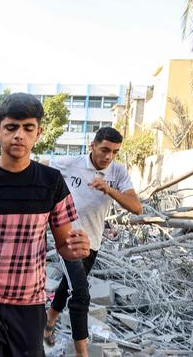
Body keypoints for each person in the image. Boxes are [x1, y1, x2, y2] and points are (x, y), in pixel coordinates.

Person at [0, 92, 91, 356]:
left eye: (28, 128)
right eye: (11, 127)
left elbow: (64, 244)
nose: (19, 135)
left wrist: (77, 247)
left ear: (38, 133)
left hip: (28, 303)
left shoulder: (51, 183)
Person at [44, 127, 142, 356]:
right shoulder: (71, 163)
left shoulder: (117, 172)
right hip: (68, 238)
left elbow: (136, 207)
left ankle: (48, 324)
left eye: (115, 152)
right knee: (80, 293)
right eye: (105, 149)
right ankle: (82, 353)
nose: (109, 156)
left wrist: (109, 189)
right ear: (93, 146)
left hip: (93, 242)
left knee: (67, 286)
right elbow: (40, 167)